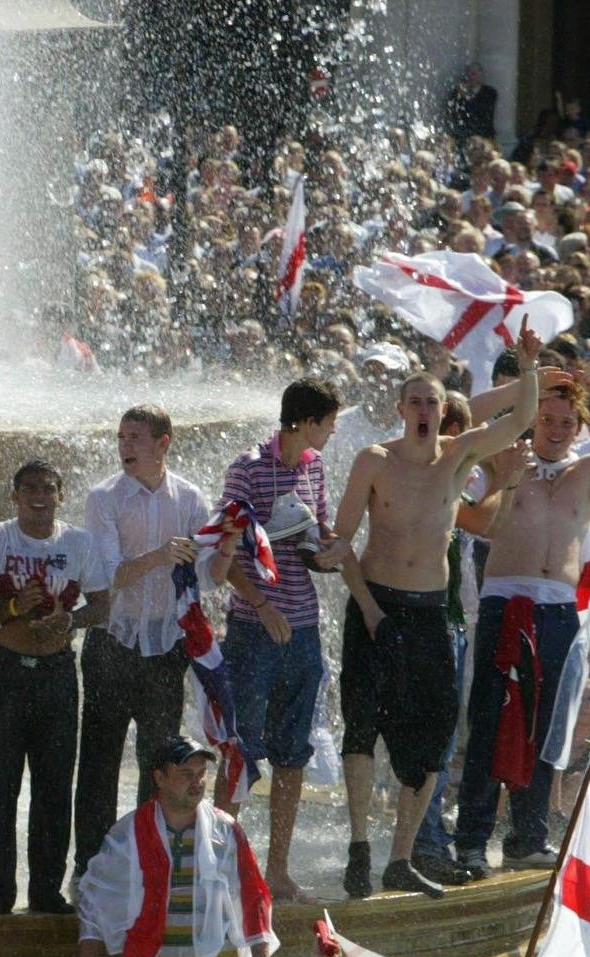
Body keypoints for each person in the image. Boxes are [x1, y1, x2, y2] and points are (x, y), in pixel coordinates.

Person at [335, 355, 546, 897]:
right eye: (416, 403)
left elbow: (522, 418)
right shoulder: (374, 460)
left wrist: (528, 368)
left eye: (432, 402)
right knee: (361, 726)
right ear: (401, 410)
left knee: (433, 737)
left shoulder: (459, 455)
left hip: (429, 608)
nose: (424, 411)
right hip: (374, 602)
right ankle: (360, 845)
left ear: (441, 410)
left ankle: (401, 857)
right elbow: (341, 544)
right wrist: (368, 607)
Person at [455, 368, 590, 877]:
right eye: (547, 418)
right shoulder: (503, 457)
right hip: (504, 597)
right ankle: (472, 840)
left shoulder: (586, 471)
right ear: (532, 418)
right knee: (490, 724)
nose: (557, 428)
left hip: (558, 607)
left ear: (580, 425)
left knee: (544, 726)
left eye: (567, 421)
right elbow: (458, 428)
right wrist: (525, 384)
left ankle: (527, 836)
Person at [75, 737, 277, 957]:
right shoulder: (128, 833)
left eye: (201, 773)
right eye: (186, 773)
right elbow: (92, 900)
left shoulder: (225, 829)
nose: (197, 781)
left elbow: (253, 896)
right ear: (160, 777)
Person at [212, 379, 350, 901]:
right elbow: (226, 551)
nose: (334, 432)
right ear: (309, 421)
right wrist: (263, 606)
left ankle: (277, 871)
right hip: (253, 627)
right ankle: (220, 869)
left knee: (293, 754)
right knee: (239, 751)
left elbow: (319, 537)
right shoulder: (246, 468)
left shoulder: (313, 466)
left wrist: (328, 552)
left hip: (303, 627)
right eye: (330, 422)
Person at [0, 458, 110, 914]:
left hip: (58, 673)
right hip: (6, 671)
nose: (39, 496)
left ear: (61, 495)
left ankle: (46, 891)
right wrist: (11, 609)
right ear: (15, 496)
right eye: (29, 488)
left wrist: (71, 621)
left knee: (54, 787)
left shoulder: (79, 542)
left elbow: (102, 604)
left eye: (48, 488)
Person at [74, 404, 209, 875]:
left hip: (165, 647)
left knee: (158, 762)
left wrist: (232, 544)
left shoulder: (190, 498)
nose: (124, 446)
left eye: (134, 438)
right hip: (113, 642)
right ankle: (89, 867)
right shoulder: (104, 497)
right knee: (98, 760)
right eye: (121, 437)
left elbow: (207, 574)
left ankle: (147, 862)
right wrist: (159, 555)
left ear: (162, 444)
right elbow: (108, 577)